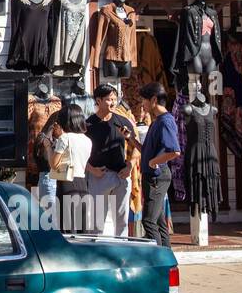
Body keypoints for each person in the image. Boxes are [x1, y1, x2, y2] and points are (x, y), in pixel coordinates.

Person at [84, 83, 137, 237]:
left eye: (114, 99)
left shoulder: (123, 121)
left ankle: (122, 252)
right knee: (96, 221)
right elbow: (79, 152)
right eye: (108, 99)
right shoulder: (88, 124)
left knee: (122, 220)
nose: (113, 102)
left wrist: (130, 166)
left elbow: (137, 147)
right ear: (98, 101)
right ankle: (97, 253)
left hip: (121, 175)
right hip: (99, 175)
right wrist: (91, 169)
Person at [138, 82, 181, 246]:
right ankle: (166, 255)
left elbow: (174, 151)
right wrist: (131, 139)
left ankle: (157, 260)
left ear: (153, 99)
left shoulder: (165, 121)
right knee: (159, 221)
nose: (142, 104)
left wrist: (154, 162)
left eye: (144, 100)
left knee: (148, 221)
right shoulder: (157, 121)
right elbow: (148, 152)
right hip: (152, 176)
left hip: (157, 177)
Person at [50, 104, 92, 232]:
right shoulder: (87, 140)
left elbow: (53, 164)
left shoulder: (65, 138)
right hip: (83, 183)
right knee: (82, 226)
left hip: (66, 183)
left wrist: (48, 147)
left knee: (67, 226)